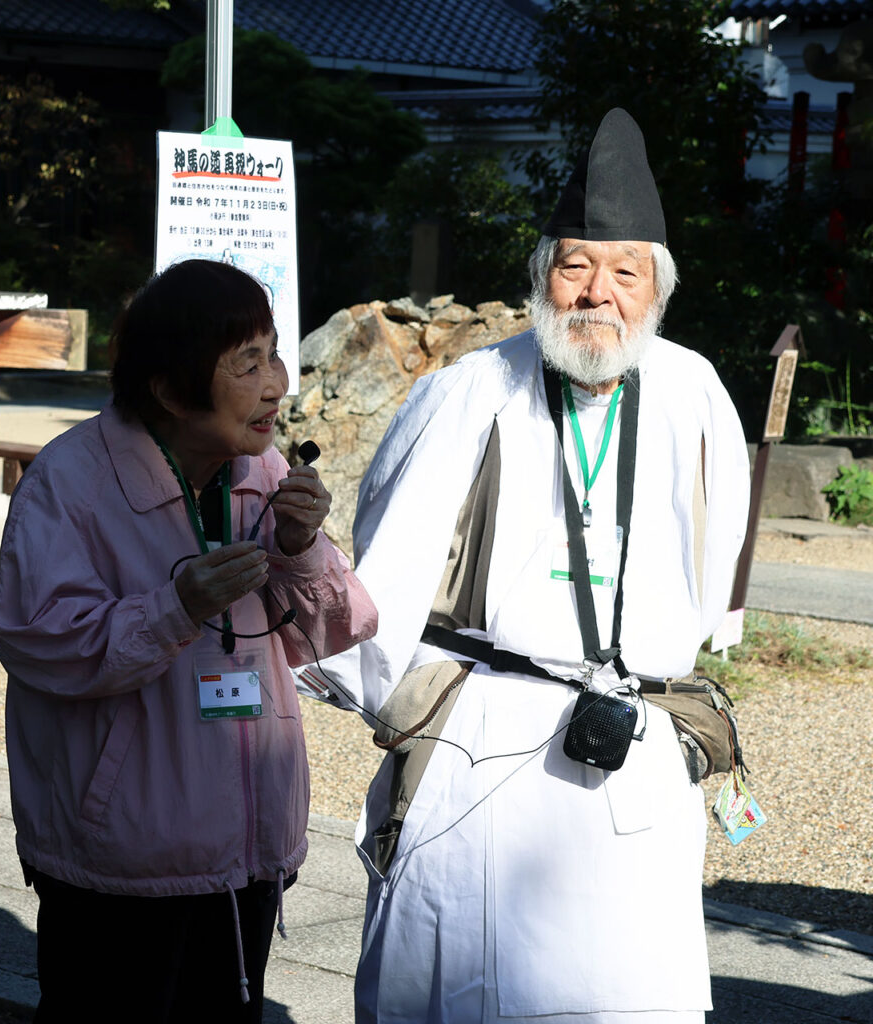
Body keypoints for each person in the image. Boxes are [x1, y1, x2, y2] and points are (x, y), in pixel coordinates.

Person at [305, 109, 752, 1022]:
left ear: (657, 288)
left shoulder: (694, 389)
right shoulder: (470, 389)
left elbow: (722, 569)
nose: (598, 293)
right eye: (575, 265)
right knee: (465, 987)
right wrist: (383, 686)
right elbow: (387, 566)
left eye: (626, 271)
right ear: (542, 275)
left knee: (628, 995)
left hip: (633, 737)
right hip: (488, 740)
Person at [0, 258, 377, 1023]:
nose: (278, 384)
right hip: (121, 866)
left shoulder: (261, 471)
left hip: (246, 853)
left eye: (273, 354)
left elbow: (336, 630)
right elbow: (39, 641)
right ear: (170, 390)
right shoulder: (72, 482)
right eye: (248, 363)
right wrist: (176, 607)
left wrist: (300, 543)